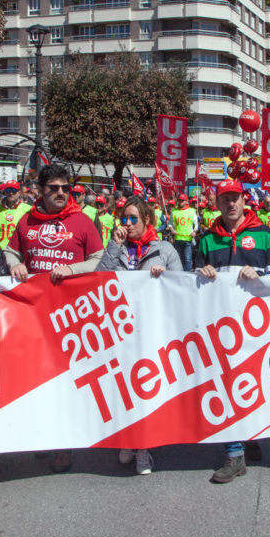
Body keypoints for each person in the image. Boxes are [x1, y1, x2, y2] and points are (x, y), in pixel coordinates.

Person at [6, 164, 104, 473]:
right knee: (37, 380)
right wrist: (14, 264)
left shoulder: (82, 221)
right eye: (53, 188)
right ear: (40, 190)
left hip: (70, 314)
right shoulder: (26, 221)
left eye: (65, 188)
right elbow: (11, 252)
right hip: (33, 315)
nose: (60, 193)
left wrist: (72, 270)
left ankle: (64, 444)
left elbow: (98, 259)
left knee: (66, 382)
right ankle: (43, 435)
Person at [196, 179, 270, 484]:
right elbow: (191, 282)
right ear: (217, 204)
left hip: (256, 326)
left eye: (235, 198)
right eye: (225, 199)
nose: (231, 204)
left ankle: (251, 435)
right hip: (221, 326)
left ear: (244, 201)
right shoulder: (207, 239)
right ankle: (235, 454)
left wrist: (259, 275)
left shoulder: (265, 235)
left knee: (254, 381)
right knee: (227, 383)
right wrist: (201, 273)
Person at [96, 196, 181, 475]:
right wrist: (113, 246)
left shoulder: (164, 249)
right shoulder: (116, 246)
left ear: (147, 220)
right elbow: (99, 278)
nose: (128, 224)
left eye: (134, 218)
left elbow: (181, 287)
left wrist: (165, 276)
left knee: (144, 390)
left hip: (151, 330)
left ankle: (143, 447)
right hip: (120, 331)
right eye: (124, 218)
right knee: (123, 390)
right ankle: (127, 440)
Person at [0, 182, 31, 252]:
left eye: (14, 190)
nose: (11, 193)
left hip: (19, 252)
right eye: (8, 190)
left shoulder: (28, 209)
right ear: (5, 192)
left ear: (19, 192)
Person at [172, 195, 198, 271]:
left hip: (188, 240)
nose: (180, 202)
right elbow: (170, 224)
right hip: (178, 239)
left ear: (186, 201)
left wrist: (194, 231)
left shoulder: (192, 211)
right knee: (178, 259)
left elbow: (196, 224)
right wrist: (172, 230)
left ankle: (186, 275)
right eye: (179, 200)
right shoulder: (174, 211)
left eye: (182, 200)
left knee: (187, 259)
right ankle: (179, 273)